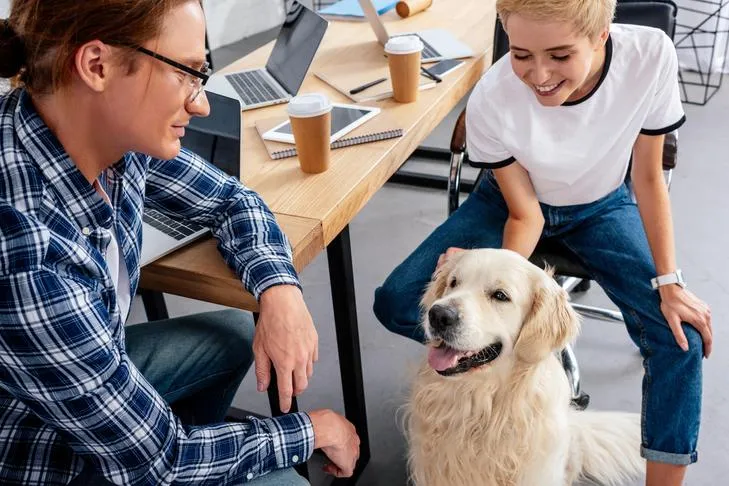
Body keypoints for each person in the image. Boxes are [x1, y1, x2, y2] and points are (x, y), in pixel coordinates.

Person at [0, 0, 359, 484]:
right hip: (36, 452)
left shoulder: (102, 134)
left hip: (83, 391)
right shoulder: (26, 256)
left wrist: (280, 291)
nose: (202, 103)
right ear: (97, 65)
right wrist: (316, 429)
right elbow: (162, 461)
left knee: (233, 334)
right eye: (185, 73)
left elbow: (231, 201)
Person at [373, 0, 713, 485]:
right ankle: (487, 377)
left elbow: (648, 177)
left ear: (600, 35)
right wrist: (482, 282)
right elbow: (524, 211)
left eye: (558, 55)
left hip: (601, 204)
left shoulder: (649, 55)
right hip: (511, 201)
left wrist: (670, 283)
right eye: (520, 54)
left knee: (679, 337)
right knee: (397, 299)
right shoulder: (492, 95)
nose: (538, 74)